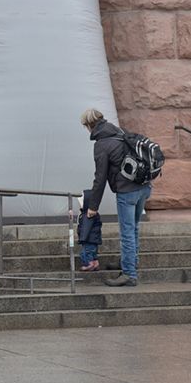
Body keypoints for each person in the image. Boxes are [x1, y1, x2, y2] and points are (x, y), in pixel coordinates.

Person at [80, 107, 150, 287]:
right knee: (133, 228)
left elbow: (100, 178)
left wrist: (93, 207)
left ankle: (129, 274)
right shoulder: (120, 131)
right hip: (144, 187)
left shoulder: (101, 144)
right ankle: (129, 262)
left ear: (89, 125)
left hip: (127, 192)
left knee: (127, 232)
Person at [76, 189, 102, 271]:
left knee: (86, 252)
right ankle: (95, 263)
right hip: (93, 238)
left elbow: (85, 228)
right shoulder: (93, 214)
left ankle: (88, 264)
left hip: (88, 239)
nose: (80, 205)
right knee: (93, 252)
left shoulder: (88, 215)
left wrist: (82, 239)